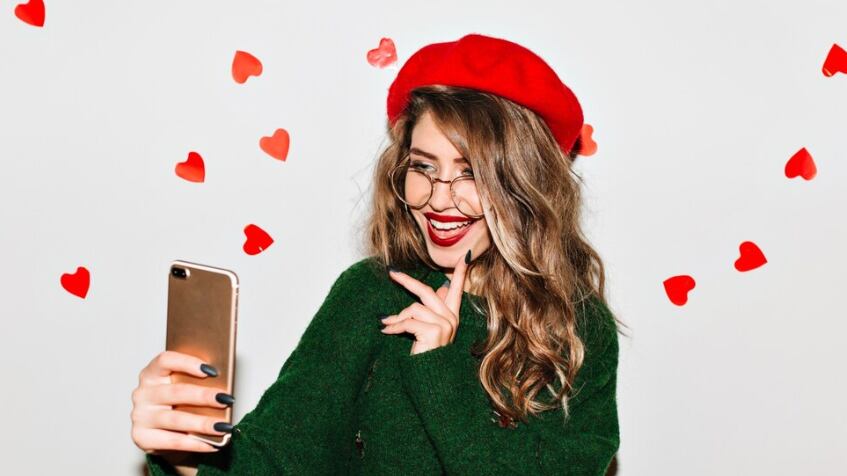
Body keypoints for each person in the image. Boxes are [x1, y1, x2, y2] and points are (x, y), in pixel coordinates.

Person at [131, 32, 627, 475]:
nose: (437, 198)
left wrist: (440, 366)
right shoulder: (371, 292)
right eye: (424, 166)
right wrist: (181, 452)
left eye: (471, 173)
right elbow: (278, 459)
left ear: (524, 185)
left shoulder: (578, 328)